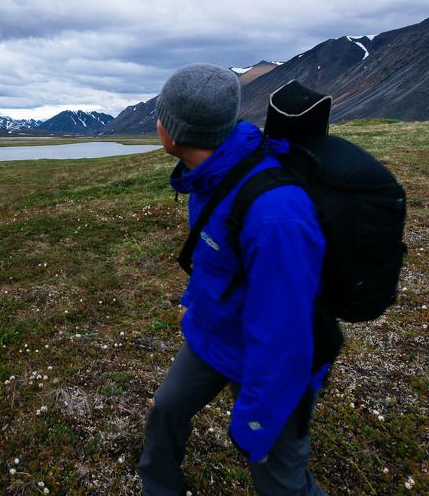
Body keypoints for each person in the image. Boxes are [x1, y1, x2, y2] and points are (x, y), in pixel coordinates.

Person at [138, 63, 329, 495]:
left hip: (274, 359)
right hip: (218, 332)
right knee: (166, 411)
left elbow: (286, 337)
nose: (157, 123)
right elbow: (218, 257)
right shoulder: (209, 173)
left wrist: (256, 422)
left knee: (279, 478)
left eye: (161, 115)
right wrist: (198, 299)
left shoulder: (275, 215)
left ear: (175, 130)